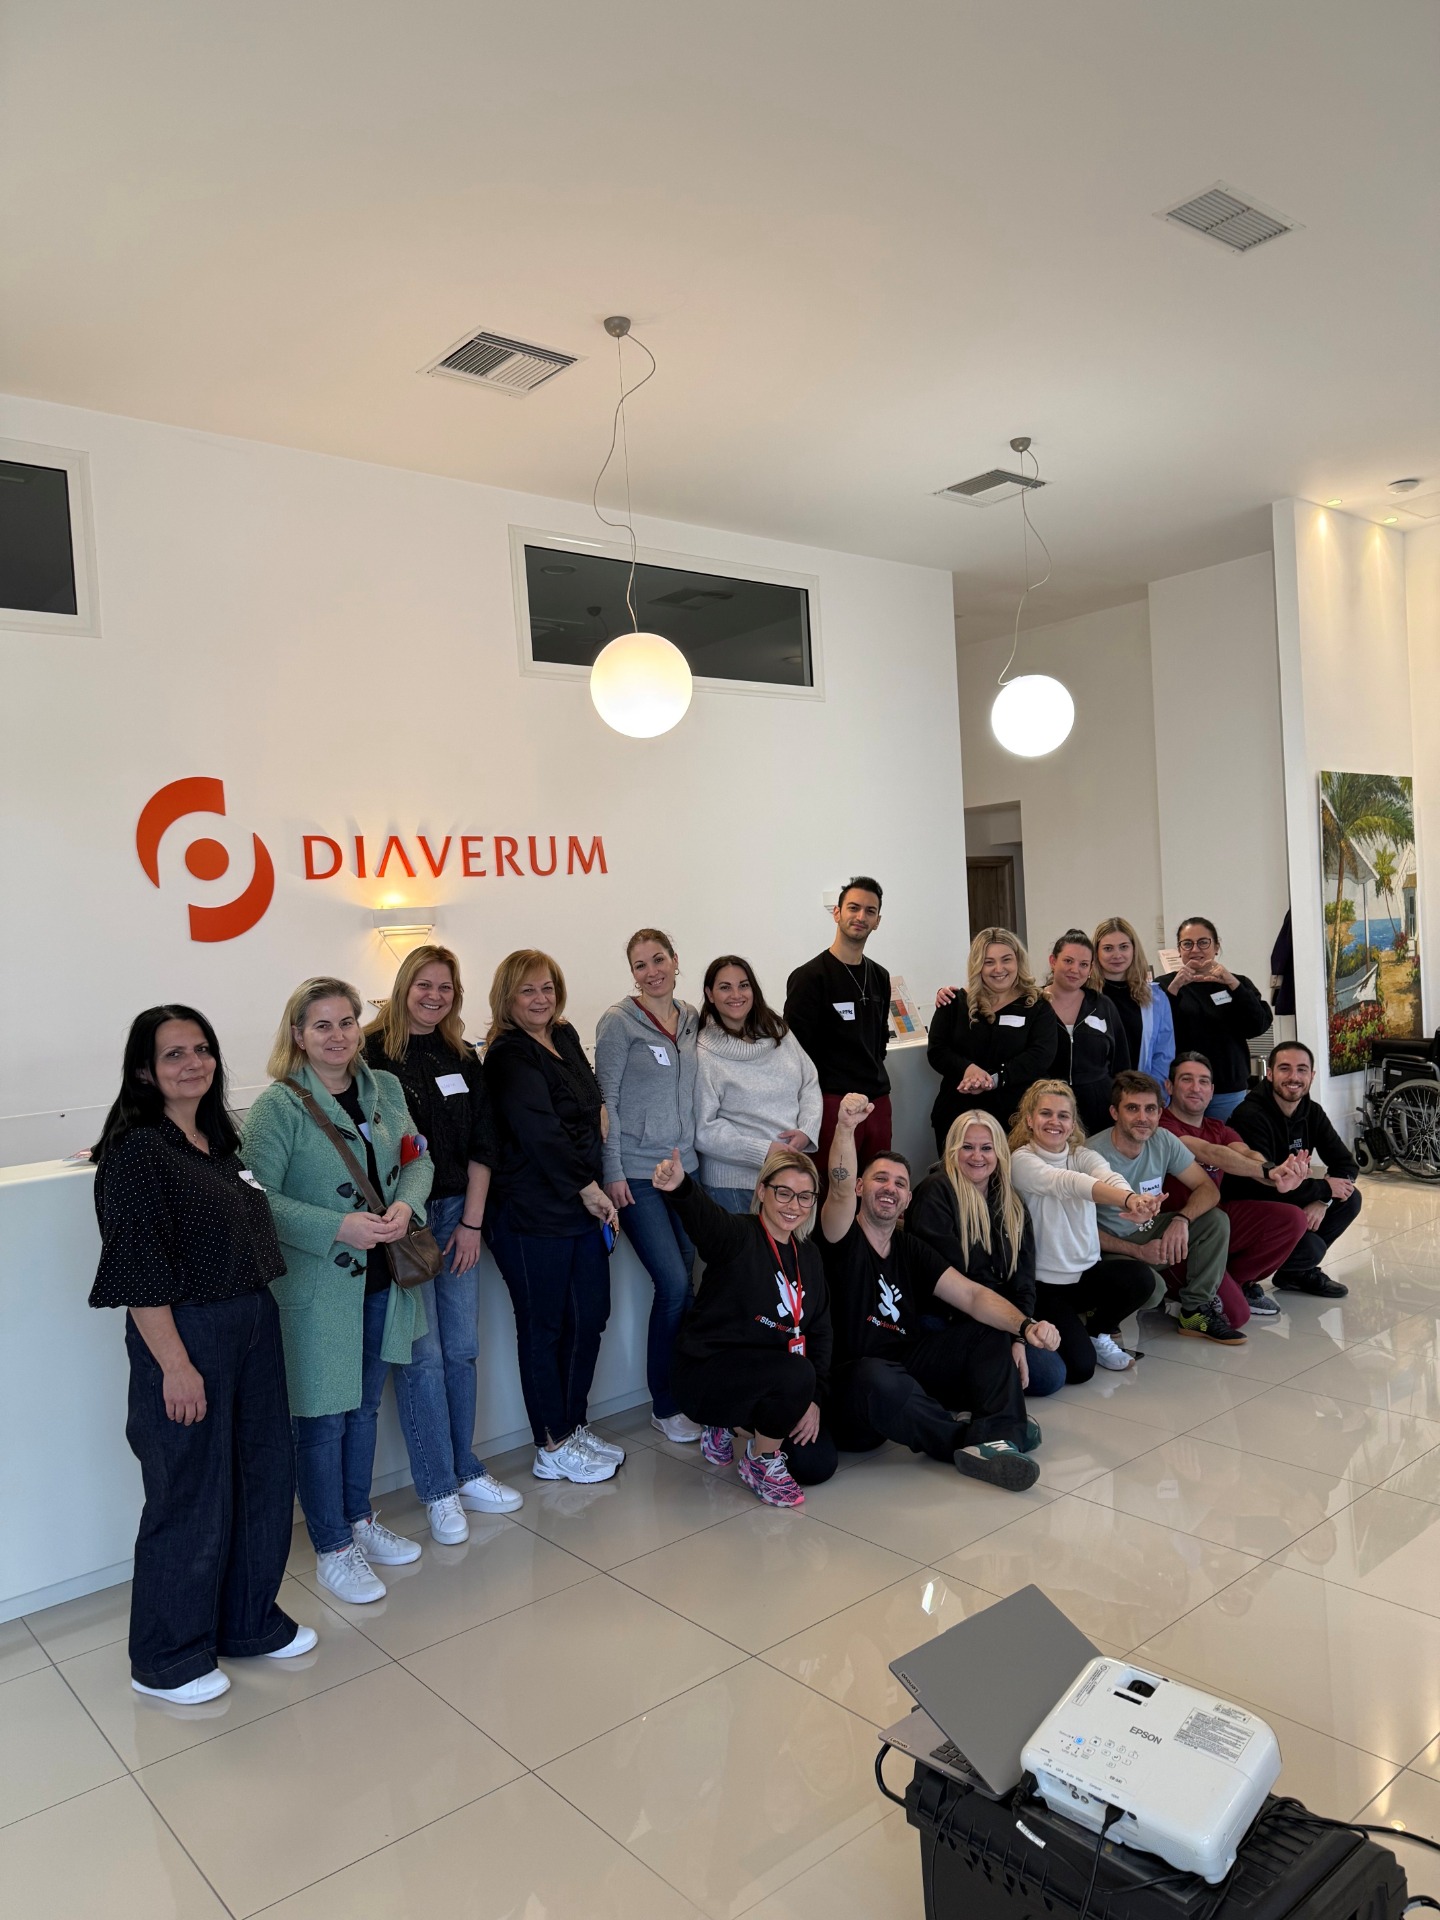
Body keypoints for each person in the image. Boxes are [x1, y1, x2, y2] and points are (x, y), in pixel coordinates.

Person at [90, 1006, 311, 1704]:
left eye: (202, 1049)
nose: (194, 1064)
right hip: (188, 1333)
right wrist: (175, 1366)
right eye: (174, 1054)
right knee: (190, 1491)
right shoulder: (139, 1151)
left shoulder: (216, 1139)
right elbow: (137, 1271)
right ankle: (167, 1659)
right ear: (144, 1071)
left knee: (262, 1477)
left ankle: (248, 1622)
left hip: (252, 1321)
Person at [243, 979, 434, 1605]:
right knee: (323, 1421)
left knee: (364, 1409)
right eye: (322, 1025)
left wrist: (407, 1205)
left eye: (347, 1022)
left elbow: (418, 1158)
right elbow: (256, 1200)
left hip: (384, 1282)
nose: (338, 1035)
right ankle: (331, 1546)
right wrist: (336, 1226)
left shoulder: (385, 1089)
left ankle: (358, 1519)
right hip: (319, 1291)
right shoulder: (277, 1108)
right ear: (297, 1035)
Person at [818, 1096, 1059, 1490]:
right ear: (861, 1186)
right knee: (876, 1375)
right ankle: (969, 1441)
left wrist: (1025, 1326)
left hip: (905, 1363)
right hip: (853, 1380)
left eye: (900, 1183)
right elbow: (839, 1189)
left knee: (987, 1330)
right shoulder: (841, 1238)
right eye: (880, 1179)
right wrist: (845, 1128)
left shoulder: (909, 1249)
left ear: (907, 1199)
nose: (890, 1188)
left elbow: (972, 1296)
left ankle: (1001, 1435)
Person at [362, 945, 523, 1532]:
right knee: (423, 1358)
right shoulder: (370, 1053)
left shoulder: (460, 1054)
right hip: (405, 1223)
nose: (434, 996)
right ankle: (437, 1489)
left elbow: (485, 1142)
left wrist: (473, 1224)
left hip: (458, 1214)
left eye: (445, 988)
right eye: (424, 985)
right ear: (404, 986)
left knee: (462, 1348)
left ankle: (465, 1467)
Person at [482, 949, 624, 1483]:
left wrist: (597, 1124)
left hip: (579, 1201)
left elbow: (592, 1099)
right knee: (544, 1327)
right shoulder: (508, 1055)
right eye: (528, 990)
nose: (540, 999)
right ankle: (552, 1442)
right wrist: (589, 1189)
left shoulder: (563, 1035)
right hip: (530, 1212)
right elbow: (540, 1132)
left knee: (590, 1316)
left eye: (547, 988)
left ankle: (574, 1424)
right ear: (507, 998)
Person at [651, 1145, 836, 1506]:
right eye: (783, 1192)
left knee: (817, 1463)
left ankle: (730, 1426)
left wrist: (813, 1398)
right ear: (762, 1191)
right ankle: (759, 1462)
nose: (794, 1205)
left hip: (769, 1379)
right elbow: (706, 1220)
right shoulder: (737, 1235)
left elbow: (820, 1331)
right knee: (796, 1374)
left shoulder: (809, 1255)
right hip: (705, 1374)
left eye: (805, 1196)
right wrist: (681, 1187)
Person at [594, 929, 704, 1444]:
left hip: (685, 1170)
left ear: (676, 961)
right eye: (640, 965)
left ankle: (691, 1391)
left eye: (658, 959)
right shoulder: (619, 1022)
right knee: (674, 1284)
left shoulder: (692, 1017)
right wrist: (613, 1171)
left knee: (690, 1283)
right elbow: (607, 1103)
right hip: (637, 1174)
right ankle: (665, 1403)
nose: (651, 971)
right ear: (632, 973)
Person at [908, 1110, 1068, 1399]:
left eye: (986, 1148)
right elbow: (959, 1287)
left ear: (999, 1153)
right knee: (1041, 1375)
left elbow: (1024, 1278)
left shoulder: (1010, 1200)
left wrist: (1018, 1336)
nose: (977, 1156)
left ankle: (983, 1377)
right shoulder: (935, 1192)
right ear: (953, 1150)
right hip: (948, 1317)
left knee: (1052, 1374)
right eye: (967, 1147)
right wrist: (1008, 1331)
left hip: (1000, 1315)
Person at [1009, 1080, 1159, 1378]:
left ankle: (1098, 1330)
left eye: (1063, 1115)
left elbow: (1108, 1176)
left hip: (1085, 1276)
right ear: (1029, 1119)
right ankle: (1043, 1329)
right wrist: (1127, 1200)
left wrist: (1137, 1201)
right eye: (1046, 1113)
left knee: (1142, 1279)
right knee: (1080, 1370)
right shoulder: (1021, 1160)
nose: (1055, 1122)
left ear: (1072, 1122)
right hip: (1044, 1286)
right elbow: (1070, 1183)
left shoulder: (1081, 1154)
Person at [1087, 1070, 1243, 1345]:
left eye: (1150, 1109)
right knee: (1152, 1291)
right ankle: (1094, 1310)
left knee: (1215, 1220)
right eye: (1132, 1108)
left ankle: (1194, 1312)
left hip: (1151, 1231)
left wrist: (1182, 1220)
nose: (1143, 1117)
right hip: (1109, 1246)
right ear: (1114, 1112)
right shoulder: (1090, 1155)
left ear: (1160, 1113)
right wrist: (1137, 1251)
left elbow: (1208, 1189)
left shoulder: (1163, 1140)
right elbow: (1080, 1230)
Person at [1160, 1052, 1311, 1320]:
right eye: (1186, 1080)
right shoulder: (1162, 1126)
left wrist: (1276, 1173)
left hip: (1216, 1224)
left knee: (1293, 1219)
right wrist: (1267, 1171)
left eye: (1203, 1081)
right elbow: (1212, 1153)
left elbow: (1246, 1154)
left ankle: (1235, 1283)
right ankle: (1178, 1291)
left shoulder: (1216, 1127)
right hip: (1179, 1234)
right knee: (1236, 1317)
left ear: (1212, 1090)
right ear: (1169, 1086)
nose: (1196, 1088)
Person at [1225, 1042, 1361, 1297]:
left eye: (1301, 1070)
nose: (1294, 1077)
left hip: (1289, 1197)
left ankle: (1296, 1274)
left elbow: (1346, 1163)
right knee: (1310, 1247)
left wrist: (1322, 1199)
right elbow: (1265, 1185)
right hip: (1254, 1205)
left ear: (1312, 1075)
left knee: (1350, 1198)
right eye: (1285, 1068)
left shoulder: (1311, 1111)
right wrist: (1323, 1187)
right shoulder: (1250, 1115)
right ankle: (1240, 1277)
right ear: (1270, 1073)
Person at [694, 953, 822, 1213]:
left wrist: (807, 1131)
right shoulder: (703, 1053)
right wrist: (764, 1151)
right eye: (725, 987)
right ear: (710, 994)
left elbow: (809, 1083)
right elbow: (704, 1129)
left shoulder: (779, 1033)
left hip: (787, 1176)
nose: (736, 995)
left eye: (743, 985)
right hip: (734, 1186)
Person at [784, 876, 892, 1179]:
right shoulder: (809, 977)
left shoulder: (880, 976)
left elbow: (879, 1041)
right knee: (832, 1187)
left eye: (870, 911)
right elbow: (795, 1053)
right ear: (837, 913)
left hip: (877, 1103)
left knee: (875, 1184)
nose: (861, 917)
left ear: (877, 921)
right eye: (853, 908)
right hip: (831, 1103)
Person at [926, 928, 1059, 1153]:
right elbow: (937, 1050)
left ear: (1018, 961)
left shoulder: (1037, 1005)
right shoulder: (953, 1002)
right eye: (989, 962)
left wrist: (994, 1079)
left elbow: (1040, 1055)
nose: (999, 969)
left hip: (1014, 1118)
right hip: (958, 1115)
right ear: (977, 965)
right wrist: (967, 1069)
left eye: (1006, 959)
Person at [1155, 918, 1272, 1121]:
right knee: (1183, 1141)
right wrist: (1174, 989)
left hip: (1227, 1088)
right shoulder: (1164, 985)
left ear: (1216, 947)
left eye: (1203, 942)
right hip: (1181, 1088)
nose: (1195, 949)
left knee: (1227, 1139)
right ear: (1179, 949)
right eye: (1187, 943)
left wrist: (1233, 984)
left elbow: (1258, 1025)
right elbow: (1155, 1030)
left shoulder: (1237, 983)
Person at [1043, 930, 1131, 1135]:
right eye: (1068, 961)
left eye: (1083, 964)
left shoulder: (1103, 1005)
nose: (1075, 970)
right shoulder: (1034, 1004)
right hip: (1048, 1107)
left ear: (1091, 969)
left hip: (1098, 1109)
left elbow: (1121, 1064)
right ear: (1053, 961)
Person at [1092, 917, 1175, 1089]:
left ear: (1134, 950)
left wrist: (1152, 1093)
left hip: (1140, 1094)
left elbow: (1162, 1054)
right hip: (1096, 1093)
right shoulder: (1084, 995)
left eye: (1124, 947)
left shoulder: (1155, 998)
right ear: (1096, 952)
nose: (1117, 955)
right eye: (1108, 948)